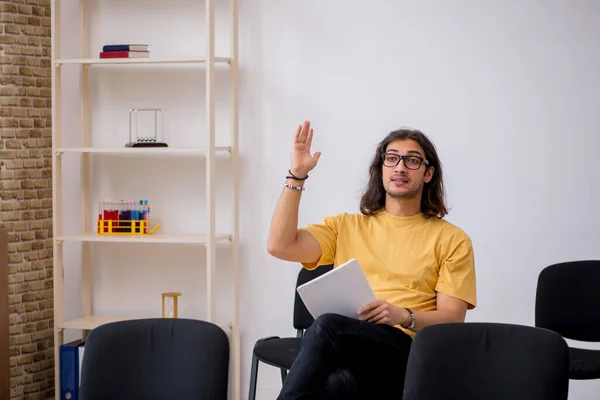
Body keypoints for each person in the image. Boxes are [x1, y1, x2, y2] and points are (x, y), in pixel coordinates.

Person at [267, 121, 477, 399]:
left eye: (412, 161)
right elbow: (280, 246)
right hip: (350, 346)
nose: (400, 167)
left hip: (407, 353)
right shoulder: (345, 226)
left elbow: (452, 319)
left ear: (428, 174)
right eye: (392, 159)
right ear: (381, 170)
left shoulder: (452, 239)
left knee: (328, 326)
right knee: (337, 384)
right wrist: (297, 175)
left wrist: (403, 315)